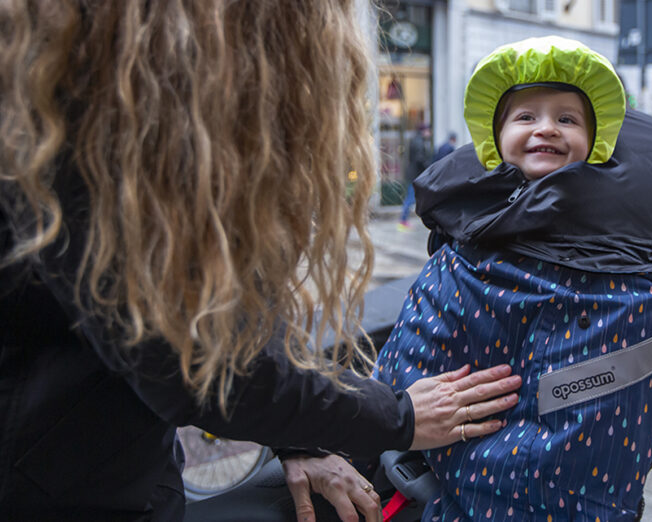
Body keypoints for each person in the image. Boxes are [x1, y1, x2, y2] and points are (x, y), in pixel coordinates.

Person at [0, 3, 522, 521]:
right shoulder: (80, 131)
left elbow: (214, 318)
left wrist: (300, 441)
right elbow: (201, 363)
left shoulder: (124, 119)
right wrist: (401, 416)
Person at [372, 36, 652, 521]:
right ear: (494, 137)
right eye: (526, 117)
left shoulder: (642, 238)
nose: (546, 128)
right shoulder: (469, 246)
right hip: (479, 488)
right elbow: (417, 350)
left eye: (568, 119)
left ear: (599, 140)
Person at [398, 124, 433, 230]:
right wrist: (429, 167)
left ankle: (404, 220)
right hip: (416, 175)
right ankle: (403, 220)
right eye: (428, 131)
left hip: (415, 174)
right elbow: (419, 159)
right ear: (424, 131)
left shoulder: (417, 140)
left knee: (413, 198)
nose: (430, 133)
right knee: (410, 198)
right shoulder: (419, 142)